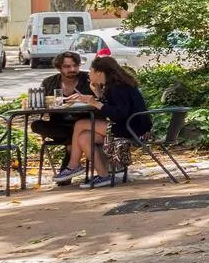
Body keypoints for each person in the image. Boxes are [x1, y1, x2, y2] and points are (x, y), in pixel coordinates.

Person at [62, 55, 146, 188]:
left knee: (80, 124)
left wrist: (95, 102)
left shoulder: (119, 87)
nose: (89, 74)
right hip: (128, 125)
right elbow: (113, 107)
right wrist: (98, 94)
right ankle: (103, 176)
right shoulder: (113, 86)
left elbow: (119, 114)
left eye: (91, 70)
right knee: (84, 137)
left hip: (132, 128)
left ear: (99, 72)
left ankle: (73, 165)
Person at [32, 53, 91, 175]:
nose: (72, 69)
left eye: (75, 66)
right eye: (67, 66)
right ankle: (70, 142)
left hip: (83, 122)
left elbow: (100, 99)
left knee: (77, 130)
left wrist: (85, 98)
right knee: (36, 125)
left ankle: (67, 169)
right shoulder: (49, 82)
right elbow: (41, 105)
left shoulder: (88, 79)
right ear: (59, 68)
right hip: (59, 123)